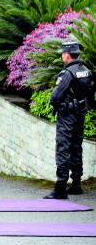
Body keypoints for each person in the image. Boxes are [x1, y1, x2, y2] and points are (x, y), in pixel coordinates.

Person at [46, 42, 94, 199]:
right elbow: (90, 93)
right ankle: (76, 184)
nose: (62, 55)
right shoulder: (85, 71)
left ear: (67, 55)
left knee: (63, 147)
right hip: (80, 113)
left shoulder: (67, 73)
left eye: (62, 53)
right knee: (76, 147)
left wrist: (56, 106)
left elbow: (55, 96)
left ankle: (60, 188)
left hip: (67, 115)